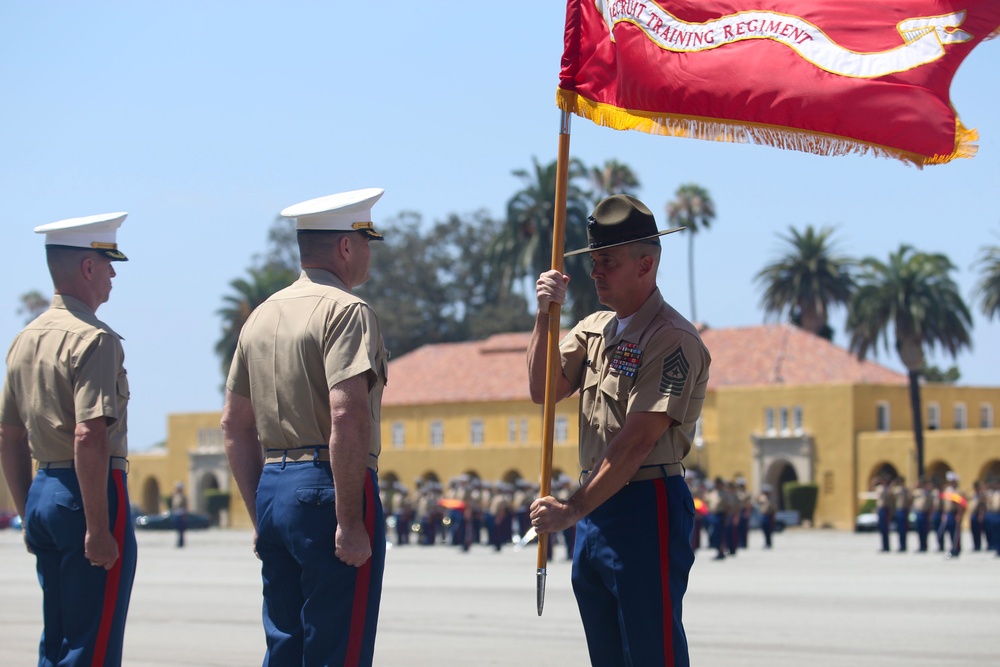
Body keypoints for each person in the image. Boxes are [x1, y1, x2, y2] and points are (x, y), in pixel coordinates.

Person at [527, 194, 710, 667]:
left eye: (607, 262)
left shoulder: (672, 338)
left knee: (650, 650)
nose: (595, 273)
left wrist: (571, 509)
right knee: (607, 654)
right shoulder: (594, 329)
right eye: (593, 262)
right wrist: (545, 316)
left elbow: (637, 441)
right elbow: (543, 389)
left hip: (644, 503)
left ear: (646, 263)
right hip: (595, 504)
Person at [221, 188, 389, 666]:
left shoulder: (259, 318)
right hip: (327, 488)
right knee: (337, 649)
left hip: (272, 488)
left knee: (285, 647)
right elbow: (347, 414)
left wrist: (262, 512)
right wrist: (351, 521)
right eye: (366, 241)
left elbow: (234, 426)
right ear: (345, 247)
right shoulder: (346, 311)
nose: (369, 252)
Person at [0, 212, 137, 666]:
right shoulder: (93, 339)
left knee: (57, 640)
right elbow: (89, 434)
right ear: (87, 268)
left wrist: (27, 513)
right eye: (108, 261)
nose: (114, 273)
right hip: (88, 494)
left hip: (42, 492)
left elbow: (9, 433)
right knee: (90, 645)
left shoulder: (24, 339)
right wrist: (98, 529)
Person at [891, 476, 910, 552]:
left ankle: (904, 546)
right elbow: (890, 493)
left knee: (904, 530)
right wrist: (893, 484)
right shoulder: (898, 489)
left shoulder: (905, 490)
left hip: (904, 510)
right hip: (899, 510)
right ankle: (901, 546)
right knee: (899, 530)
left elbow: (909, 499)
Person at [757, 484, 777, 549]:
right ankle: (766, 543)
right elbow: (757, 500)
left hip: (769, 515)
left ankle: (769, 543)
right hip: (763, 515)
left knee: (769, 530)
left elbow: (774, 508)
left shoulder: (772, 498)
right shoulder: (762, 497)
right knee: (764, 530)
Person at [171, 481, 189, 548]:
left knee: (181, 530)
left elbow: (185, 506)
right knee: (178, 530)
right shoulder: (175, 496)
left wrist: (185, 515)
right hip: (176, 514)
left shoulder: (183, 497)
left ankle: (181, 543)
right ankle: (179, 542)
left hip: (181, 514)